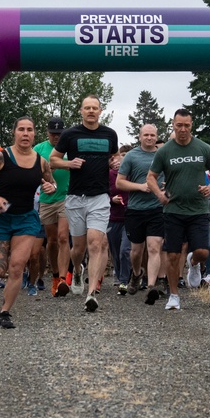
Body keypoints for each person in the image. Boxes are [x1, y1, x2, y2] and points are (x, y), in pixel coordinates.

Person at [0, 116, 57, 329]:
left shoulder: (41, 162)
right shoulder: (1, 157)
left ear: (34, 134)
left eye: (29, 129)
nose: (25, 133)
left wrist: (51, 187)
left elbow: (52, 183)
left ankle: (4, 312)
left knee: (17, 266)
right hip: (0, 218)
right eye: (21, 129)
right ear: (14, 132)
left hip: (25, 219)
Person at [146, 108, 210, 311]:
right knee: (172, 255)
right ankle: (174, 296)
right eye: (179, 125)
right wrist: (159, 194)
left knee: (203, 251)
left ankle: (193, 262)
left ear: (191, 125)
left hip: (198, 209)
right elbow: (151, 177)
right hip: (173, 210)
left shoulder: (203, 148)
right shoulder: (165, 151)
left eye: (186, 125)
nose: (182, 129)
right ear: (173, 124)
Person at [49, 94, 119, 313]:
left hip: (100, 196)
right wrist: (69, 163)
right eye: (87, 108)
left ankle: (91, 294)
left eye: (94, 108)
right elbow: (53, 159)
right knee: (78, 247)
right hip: (76, 197)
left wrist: (115, 162)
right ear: (81, 111)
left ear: (100, 111)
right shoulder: (70, 134)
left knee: (95, 243)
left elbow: (115, 157)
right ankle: (77, 271)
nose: (91, 111)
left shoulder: (110, 134)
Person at [117, 124, 167, 304]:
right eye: (146, 135)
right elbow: (119, 183)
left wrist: (166, 188)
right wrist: (140, 187)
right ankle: (137, 274)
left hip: (157, 209)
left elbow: (172, 177)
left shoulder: (163, 155)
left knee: (154, 247)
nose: (149, 138)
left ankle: (151, 286)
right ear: (140, 137)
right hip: (136, 209)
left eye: (152, 135)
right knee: (136, 251)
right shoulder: (131, 156)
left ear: (156, 136)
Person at [34, 116, 72, 297]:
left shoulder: (70, 147)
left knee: (63, 237)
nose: (56, 137)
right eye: (53, 133)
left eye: (59, 134)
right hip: (47, 198)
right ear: (47, 132)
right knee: (52, 240)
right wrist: (47, 172)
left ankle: (63, 278)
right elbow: (31, 171)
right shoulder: (39, 149)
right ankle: (55, 275)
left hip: (67, 196)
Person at [107, 146, 132, 293]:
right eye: (121, 155)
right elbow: (102, 193)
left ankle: (124, 280)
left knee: (125, 250)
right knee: (115, 251)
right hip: (113, 217)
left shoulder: (132, 173)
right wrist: (112, 199)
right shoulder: (108, 174)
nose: (120, 159)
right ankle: (119, 275)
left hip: (130, 217)